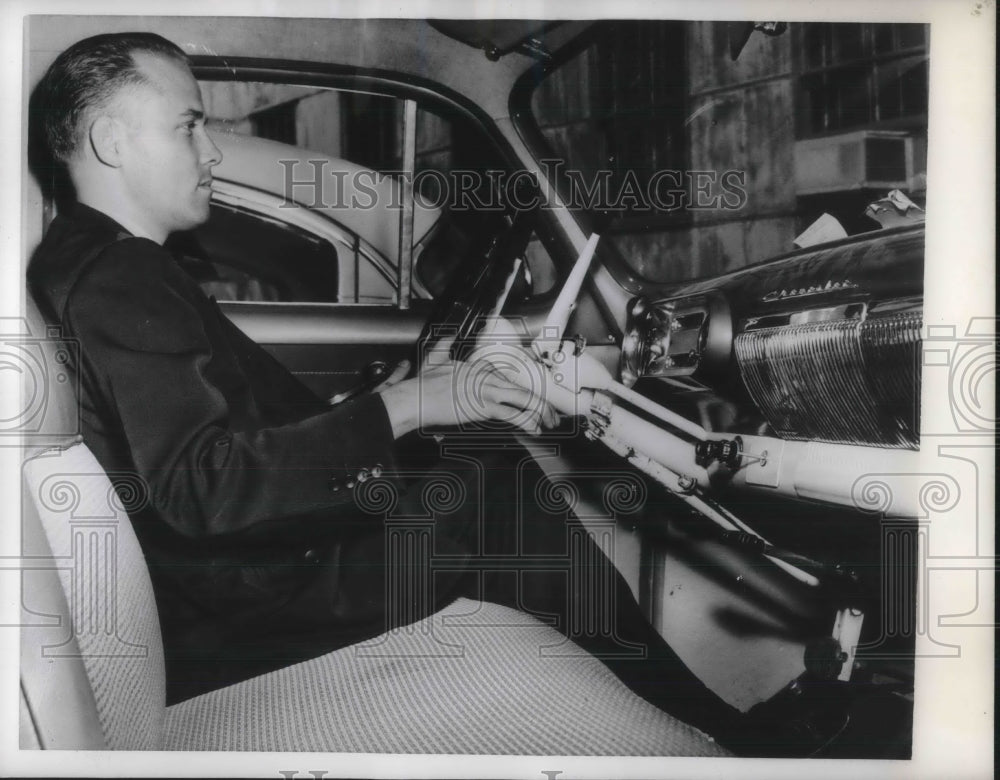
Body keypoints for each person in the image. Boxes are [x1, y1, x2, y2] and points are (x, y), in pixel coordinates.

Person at [27, 32, 843, 756]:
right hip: (243, 612)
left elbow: (222, 438)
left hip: (239, 586)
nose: (211, 150)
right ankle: (726, 735)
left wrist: (400, 396)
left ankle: (705, 720)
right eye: (189, 124)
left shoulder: (97, 264)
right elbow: (205, 488)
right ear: (108, 140)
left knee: (484, 471)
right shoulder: (119, 276)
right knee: (496, 490)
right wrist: (412, 405)